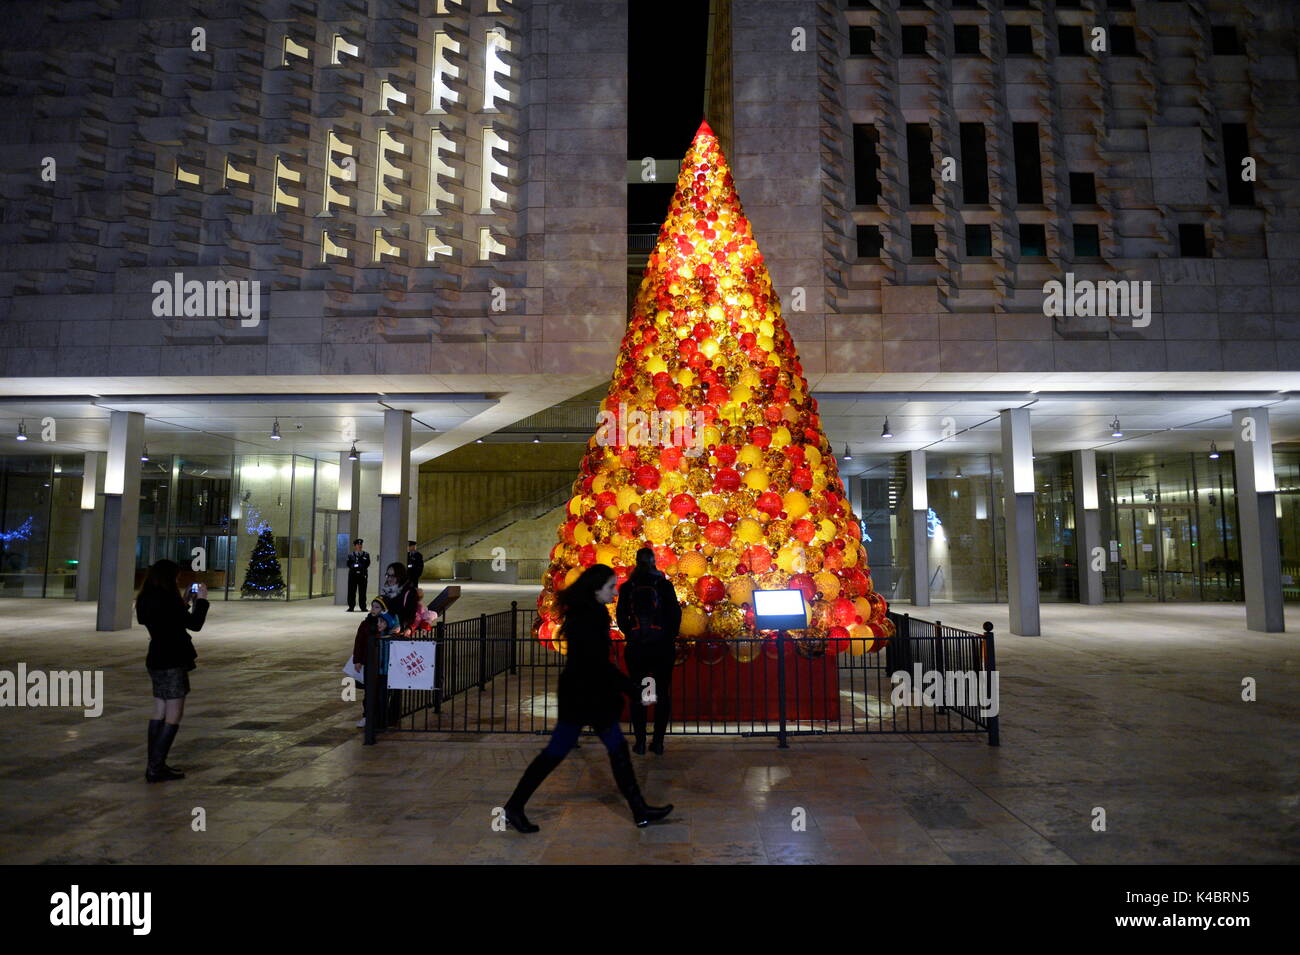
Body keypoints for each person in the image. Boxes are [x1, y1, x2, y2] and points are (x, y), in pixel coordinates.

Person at [503, 564, 673, 833]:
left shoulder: (588, 613)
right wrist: (632, 690)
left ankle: (639, 809)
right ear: (596, 590)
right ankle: (513, 807)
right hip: (584, 697)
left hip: (587, 695)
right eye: (610, 587)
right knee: (556, 753)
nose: (615, 592)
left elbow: (597, 664)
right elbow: (597, 664)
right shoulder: (588, 618)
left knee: (615, 752)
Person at [136, 560, 209, 783]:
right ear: (170, 578)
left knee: (159, 708)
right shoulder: (167, 599)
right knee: (174, 711)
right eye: (176, 578)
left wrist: (184, 601)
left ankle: (155, 764)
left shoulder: (146, 598)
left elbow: (167, 619)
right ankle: (156, 767)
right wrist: (202, 601)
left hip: (156, 658)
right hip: (172, 659)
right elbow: (194, 624)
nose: (178, 581)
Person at [616, 547, 682, 755]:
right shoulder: (664, 585)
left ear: (636, 562)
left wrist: (633, 634)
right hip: (661, 649)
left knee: (641, 693)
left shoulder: (628, 587)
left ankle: (641, 741)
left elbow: (621, 617)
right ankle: (659, 742)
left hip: (638, 649)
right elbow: (675, 614)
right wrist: (667, 637)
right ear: (654, 562)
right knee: (662, 692)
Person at [382, 562, 418, 635]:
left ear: (401, 576)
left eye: (393, 576)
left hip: (398, 632)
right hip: (384, 629)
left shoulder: (409, 592)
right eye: (388, 575)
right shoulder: (386, 590)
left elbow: (411, 615)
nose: (389, 579)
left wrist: (404, 627)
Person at [345, 539, 370, 612]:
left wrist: (360, 567)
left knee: (362, 591)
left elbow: (367, 563)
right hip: (353, 575)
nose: (360, 546)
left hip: (362, 575)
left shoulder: (366, 554)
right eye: (358, 545)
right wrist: (355, 567)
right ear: (355, 546)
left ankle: (363, 607)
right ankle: (351, 607)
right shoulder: (350, 555)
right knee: (351, 591)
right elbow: (348, 564)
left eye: (360, 544)